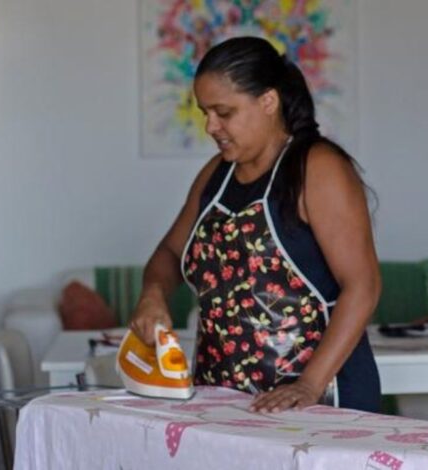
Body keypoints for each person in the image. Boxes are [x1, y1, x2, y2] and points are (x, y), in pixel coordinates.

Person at [129, 36, 381, 413]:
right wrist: (153, 293)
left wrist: (309, 385)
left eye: (224, 112)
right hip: (225, 401)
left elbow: (363, 286)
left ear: (268, 101)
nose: (211, 126)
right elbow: (168, 252)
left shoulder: (318, 168)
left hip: (321, 402)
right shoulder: (217, 175)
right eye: (204, 113)